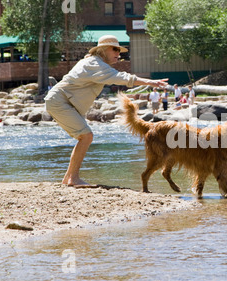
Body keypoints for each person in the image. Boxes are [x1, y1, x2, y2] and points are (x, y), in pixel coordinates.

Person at [44, 35, 168, 187]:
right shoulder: (94, 63)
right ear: (103, 50)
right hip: (59, 101)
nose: (119, 53)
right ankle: (73, 178)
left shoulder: (95, 63)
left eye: (119, 49)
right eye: (115, 49)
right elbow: (120, 77)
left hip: (62, 102)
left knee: (84, 137)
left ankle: (69, 178)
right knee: (86, 136)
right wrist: (148, 82)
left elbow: (116, 77)